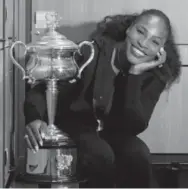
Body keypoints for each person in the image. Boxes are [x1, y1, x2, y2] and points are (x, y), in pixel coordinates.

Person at [24, 9, 181, 188]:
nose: (143, 43)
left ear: (161, 50)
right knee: (99, 154)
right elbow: (46, 86)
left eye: (154, 41)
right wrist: (34, 117)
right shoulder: (92, 51)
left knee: (139, 154)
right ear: (128, 29)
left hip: (116, 132)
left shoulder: (156, 75)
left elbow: (136, 124)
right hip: (77, 124)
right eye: (140, 31)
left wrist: (135, 75)